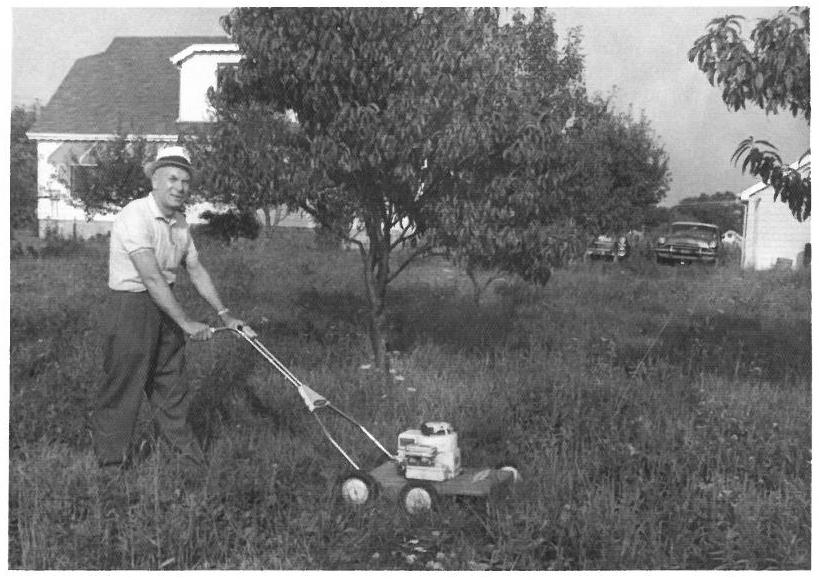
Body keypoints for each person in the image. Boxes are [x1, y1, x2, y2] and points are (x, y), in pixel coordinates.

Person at [91, 145, 256, 472]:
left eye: (185, 181)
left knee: (172, 386)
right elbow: (150, 276)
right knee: (124, 387)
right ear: (154, 179)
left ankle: (192, 464)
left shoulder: (180, 223)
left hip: (163, 305)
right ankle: (111, 469)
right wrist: (185, 322)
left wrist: (225, 314)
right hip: (131, 308)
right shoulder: (133, 216)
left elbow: (195, 269)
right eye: (172, 178)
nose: (180, 187)